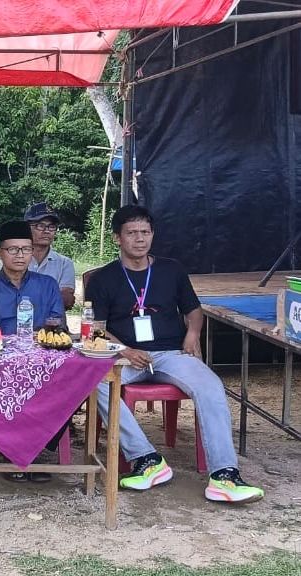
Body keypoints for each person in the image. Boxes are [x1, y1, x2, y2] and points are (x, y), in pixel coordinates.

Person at [85, 205, 263, 503]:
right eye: (132, 233)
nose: (139, 239)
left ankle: (224, 476)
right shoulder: (104, 278)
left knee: (210, 386)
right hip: (126, 357)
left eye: (145, 232)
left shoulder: (172, 270)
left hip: (171, 352)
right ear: (117, 238)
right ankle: (147, 460)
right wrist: (126, 349)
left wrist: (192, 334)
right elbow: (96, 329)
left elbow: (193, 311)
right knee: (96, 382)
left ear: (152, 235)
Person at [0, 220, 65, 482]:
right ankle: (15, 451)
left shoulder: (47, 285)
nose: (20, 255)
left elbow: (58, 325)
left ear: (32, 252)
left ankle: (35, 446)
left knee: (73, 383)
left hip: (40, 360)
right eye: (13, 249)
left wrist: (40, 337)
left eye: (25, 249)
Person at [24, 203, 76, 310]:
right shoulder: (11, 258)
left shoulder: (64, 263)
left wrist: (25, 298)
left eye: (51, 227)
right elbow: (5, 296)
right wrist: (52, 295)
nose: (47, 231)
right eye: (41, 225)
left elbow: (66, 300)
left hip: (53, 319)